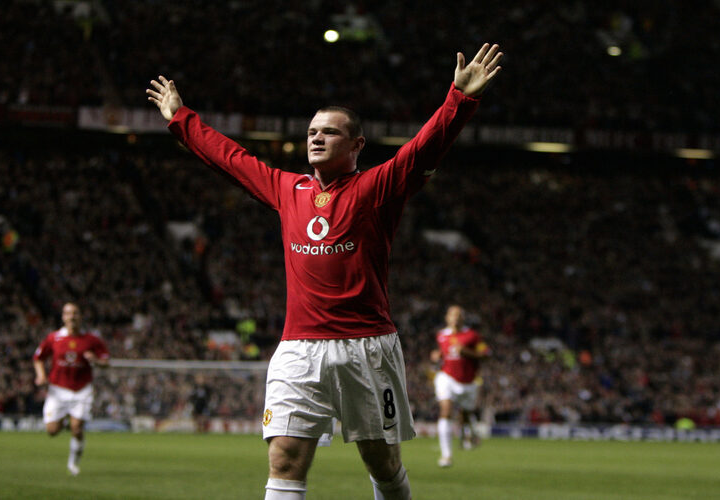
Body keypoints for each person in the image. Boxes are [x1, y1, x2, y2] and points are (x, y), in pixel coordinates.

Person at [147, 42, 503, 500]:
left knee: (382, 462)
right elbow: (230, 158)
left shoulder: (376, 187)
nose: (316, 138)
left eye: (330, 132)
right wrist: (180, 118)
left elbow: (422, 150)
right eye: (312, 131)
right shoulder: (286, 188)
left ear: (357, 145)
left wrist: (460, 99)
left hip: (366, 347)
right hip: (298, 348)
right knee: (284, 459)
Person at [33, 302, 110, 476]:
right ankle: (66, 419)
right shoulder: (54, 338)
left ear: (80, 317)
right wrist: (41, 376)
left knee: (77, 428)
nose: (72, 317)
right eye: (68, 313)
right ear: (63, 317)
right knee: (52, 431)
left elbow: (106, 362)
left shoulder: (92, 340)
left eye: (75, 313)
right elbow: (38, 358)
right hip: (58, 390)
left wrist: (96, 360)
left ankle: (73, 463)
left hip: (81, 390)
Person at [430, 305, 491, 467]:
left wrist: (467, 352)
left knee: (465, 415)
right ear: (447, 318)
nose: (455, 318)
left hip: (468, 382)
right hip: (446, 377)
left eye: (458, 315)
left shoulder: (472, 335)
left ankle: (469, 434)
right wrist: (436, 356)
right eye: (452, 315)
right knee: (445, 411)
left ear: (463, 318)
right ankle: (446, 455)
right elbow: (442, 354)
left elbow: (486, 354)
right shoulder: (441, 335)